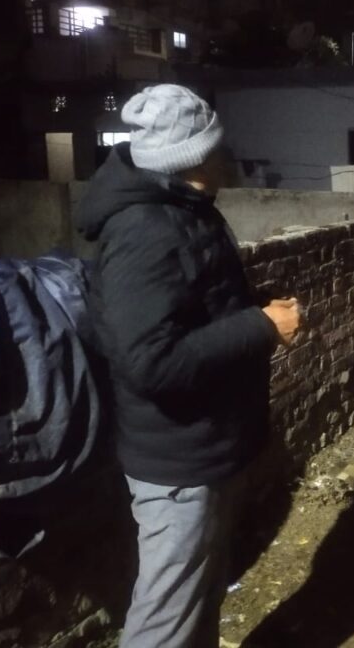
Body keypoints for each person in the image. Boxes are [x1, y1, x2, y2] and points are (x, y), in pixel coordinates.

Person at [76, 84, 301, 648]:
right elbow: (150, 361)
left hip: (205, 445)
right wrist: (260, 327)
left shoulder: (185, 209)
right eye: (217, 144)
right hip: (178, 461)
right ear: (195, 156)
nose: (228, 154)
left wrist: (250, 309)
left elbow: (189, 310)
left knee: (200, 597)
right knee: (166, 620)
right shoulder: (145, 229)